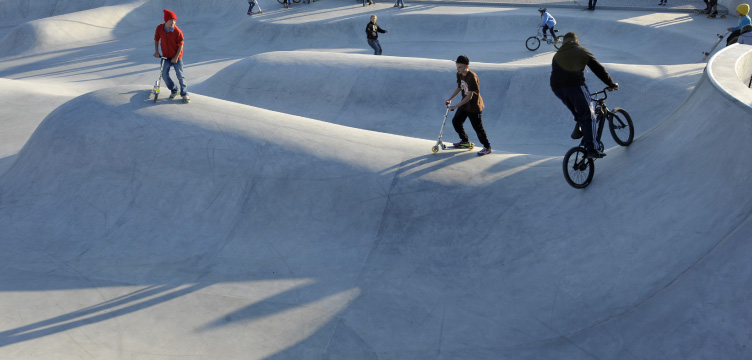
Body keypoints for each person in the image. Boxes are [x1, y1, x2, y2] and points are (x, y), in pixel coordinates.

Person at [550, 32, 618, 158]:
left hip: (557, 88)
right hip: (575, 85)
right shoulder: (581, 50)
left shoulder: (557, 55)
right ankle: (592, 148)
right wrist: (610, 83)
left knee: (580, 112)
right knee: (589, 116)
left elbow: (557, 73)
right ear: (577, 42)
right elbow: (597, 68)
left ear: (563, 43)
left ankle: (579, 124)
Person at [445, 55, 492, 156]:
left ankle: (487, 147)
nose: (458, 69)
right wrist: (450, 99)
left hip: (474, 107)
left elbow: (470, 96)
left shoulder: (472, 77)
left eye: (460, 67)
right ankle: (465, 141)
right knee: (456, 121)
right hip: (465, 104)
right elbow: (459, 87)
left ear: (467, 67)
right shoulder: (459, 74)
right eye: (457, 67)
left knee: (478, 128)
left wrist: (455, 106)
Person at [153, 9, 190, 103]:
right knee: (164, 75)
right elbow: (156, 39)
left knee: (180, 75)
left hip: (176, 57)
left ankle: (185, 93)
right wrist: (157, 51)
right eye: (171, 20)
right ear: (166, 20)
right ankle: (174, 90)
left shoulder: (177, 31)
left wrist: (176, 57)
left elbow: (181, 44)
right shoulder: (160, 28)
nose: (173, 22)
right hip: (165, 57)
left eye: (175, 20)